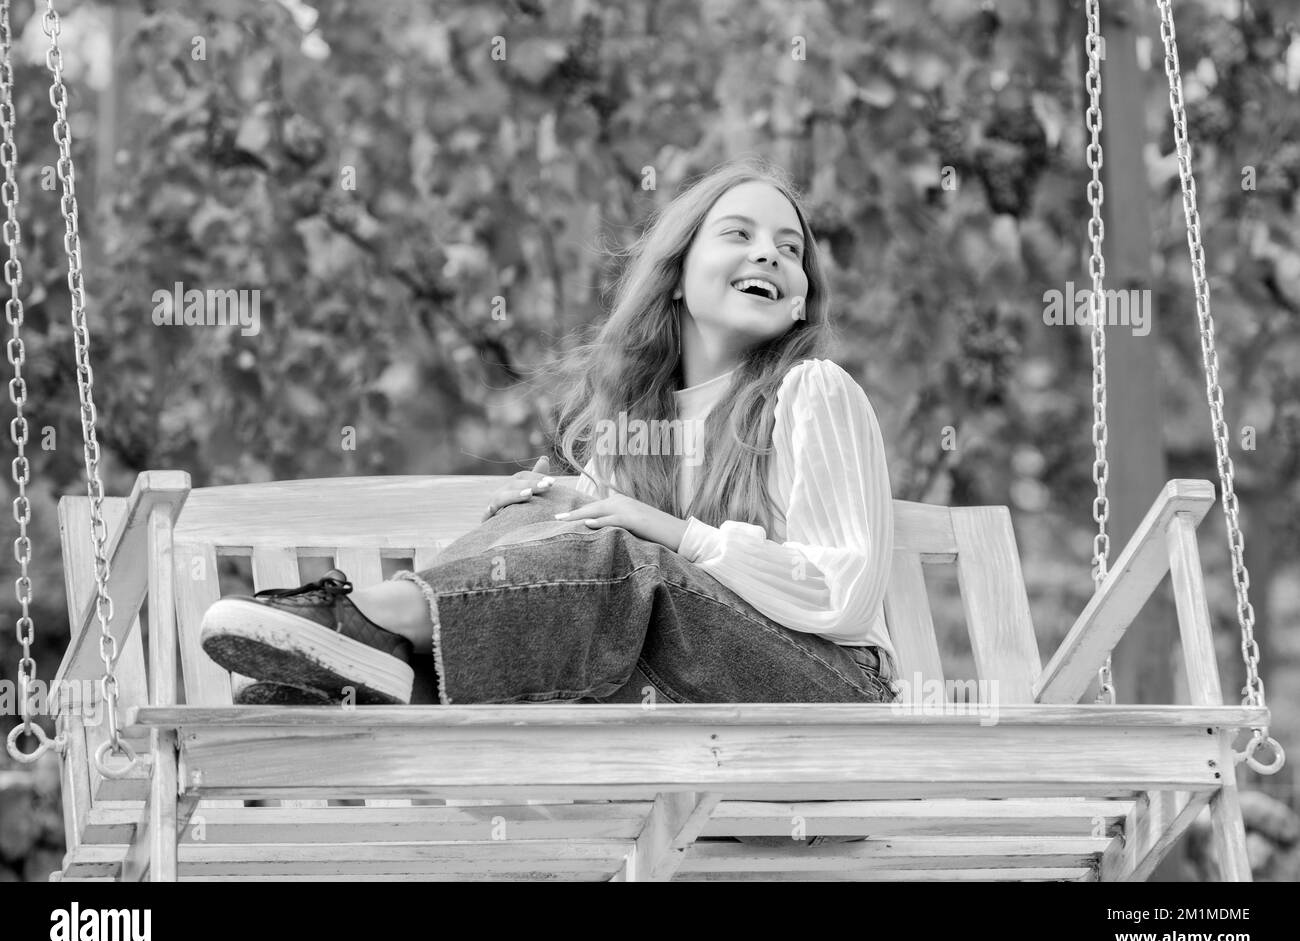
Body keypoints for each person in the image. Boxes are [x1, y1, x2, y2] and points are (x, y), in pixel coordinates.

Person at [200, 157, 899, 715]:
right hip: (693, 711)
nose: (770, 255)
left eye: (789, 249)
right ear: (679, 275)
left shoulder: (812, 392)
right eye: (739, 235)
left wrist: (672, 533)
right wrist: (562, 510)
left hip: (833, 698)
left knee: (629, 552)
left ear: (802, 296)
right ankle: (389, 671)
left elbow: (845, 593)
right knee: (547, 508)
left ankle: (374, 622)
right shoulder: (634, 432)